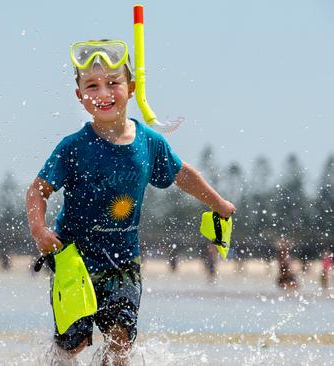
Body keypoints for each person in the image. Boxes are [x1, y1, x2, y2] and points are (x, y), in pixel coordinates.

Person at [25, 39, 236, 365]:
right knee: (74, 343)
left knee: (121, 339)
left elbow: (182, 174)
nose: (103, 93)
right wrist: (39, 230)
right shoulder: (73, 147)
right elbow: (37, 191)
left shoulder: (149, 143)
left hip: (123, 264)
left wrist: (218, 203)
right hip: (72, 261)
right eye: (92, 86)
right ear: (80, 96)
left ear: (133, 87)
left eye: (113, 83)